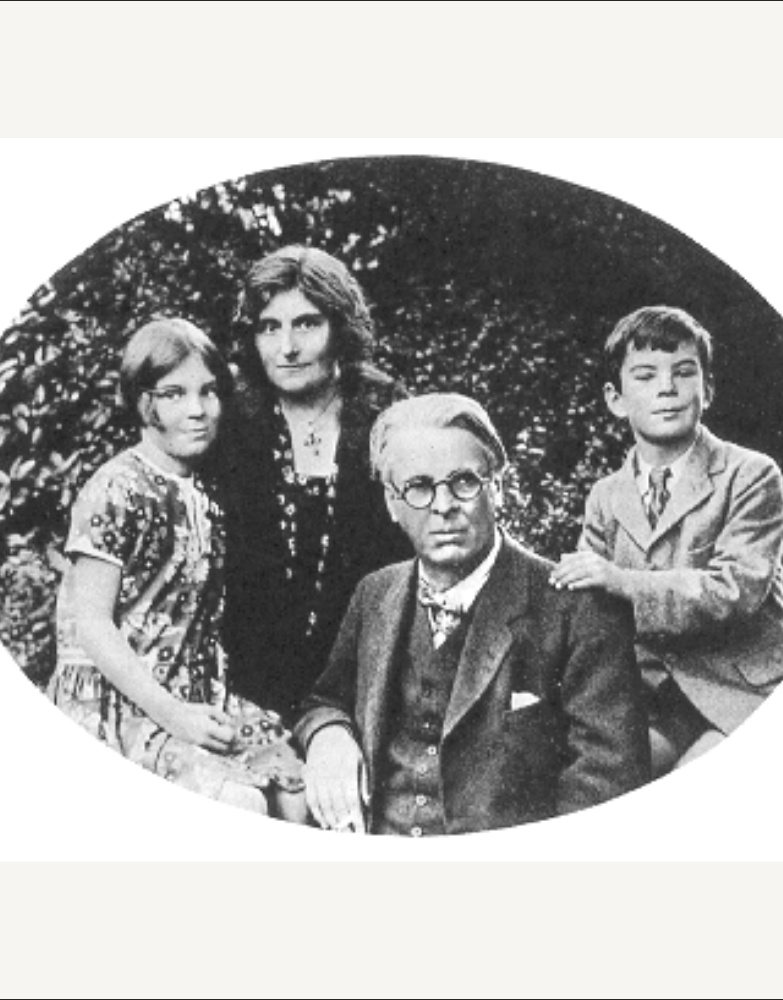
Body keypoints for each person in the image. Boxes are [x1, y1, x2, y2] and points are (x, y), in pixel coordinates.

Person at [296, 393, 650, 836]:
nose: (443, 505)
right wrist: (328, 735)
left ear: (497, 487)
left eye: (464, 482)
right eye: (419, 487)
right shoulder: (375, 594)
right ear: (391, 503)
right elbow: (325, 700)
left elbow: (607, 783)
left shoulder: (578, 609)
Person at [45, 318, 306, 818]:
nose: (197, 410)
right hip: (122, 701)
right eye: (174, 394)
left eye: (208, 391)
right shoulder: (116, 488)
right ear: (145, 403)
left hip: (197, 691)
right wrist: (172, 714)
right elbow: (90, 624)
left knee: (297, 785)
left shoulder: (208, 488)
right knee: (241, 803)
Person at [550, 305, 783, 777]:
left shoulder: (750, 474)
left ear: (707, 390)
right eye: (645, 376)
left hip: (742, 690)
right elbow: (587, 611)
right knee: (592, 779)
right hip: (652, 697)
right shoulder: (606, 495)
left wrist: (620, 581)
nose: (666, 388)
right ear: (616, 399)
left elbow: (734, 591)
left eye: (684, 372)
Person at [219, 245, 413, 725]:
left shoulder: (386, 413)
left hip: (366, 675)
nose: (287, 347)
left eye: (306, 324)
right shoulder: (231, 419)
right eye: (269, 327)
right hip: (245, 682)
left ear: (339, 328)